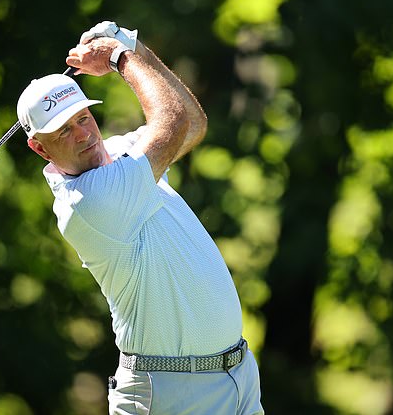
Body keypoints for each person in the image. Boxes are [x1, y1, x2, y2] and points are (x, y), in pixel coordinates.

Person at [17, 21, 264, 415]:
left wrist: (137, 49)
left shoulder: (119, 156)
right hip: (171, 395)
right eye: (63, 131)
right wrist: (119, 57)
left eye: (83, 118)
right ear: (39, 148)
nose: (83, 135)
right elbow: (172, 123)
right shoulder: (89, 202)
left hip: (237, 379)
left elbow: (193, 125)